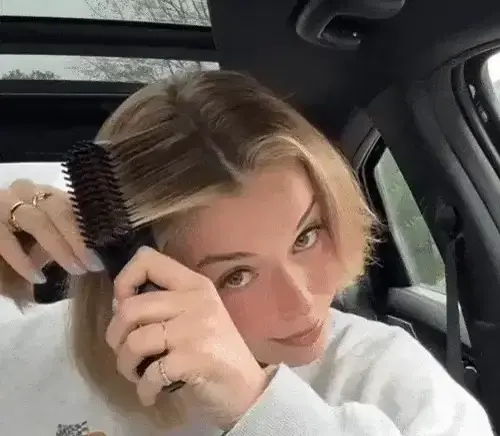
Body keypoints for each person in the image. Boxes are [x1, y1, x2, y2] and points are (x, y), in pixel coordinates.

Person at [0, 70, 493, 436]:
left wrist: (257, 405)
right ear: (138, 277)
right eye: (236, 275)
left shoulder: (389, 378)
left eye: (306, 237)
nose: (301, 302)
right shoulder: (30, 361)